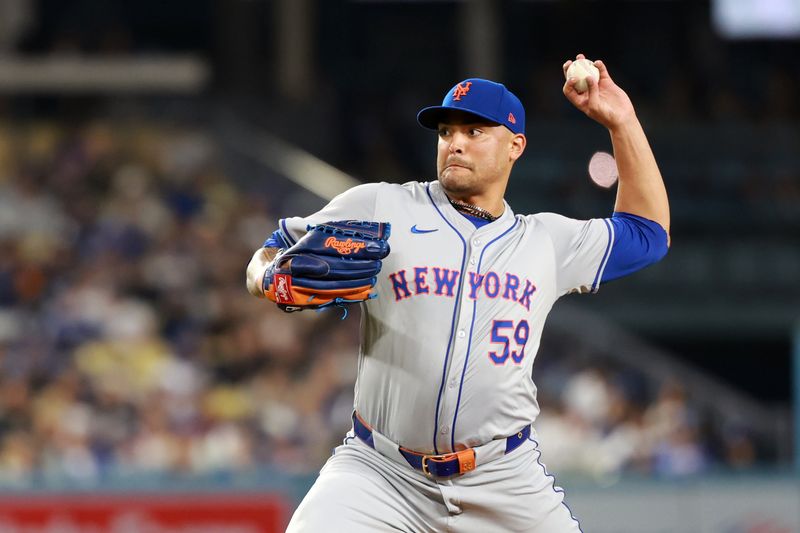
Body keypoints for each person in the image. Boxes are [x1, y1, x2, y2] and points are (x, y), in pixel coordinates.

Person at [246, 54, 670, 532]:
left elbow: (648, 233)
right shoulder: (381, 204)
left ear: (516, 146)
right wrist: (268, 278)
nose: (455, 144)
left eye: (475, 132)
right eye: (447, 132)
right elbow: (268, 253)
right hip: (380, 471)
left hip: (502, 478)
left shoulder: (545, 241)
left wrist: (623, 121)